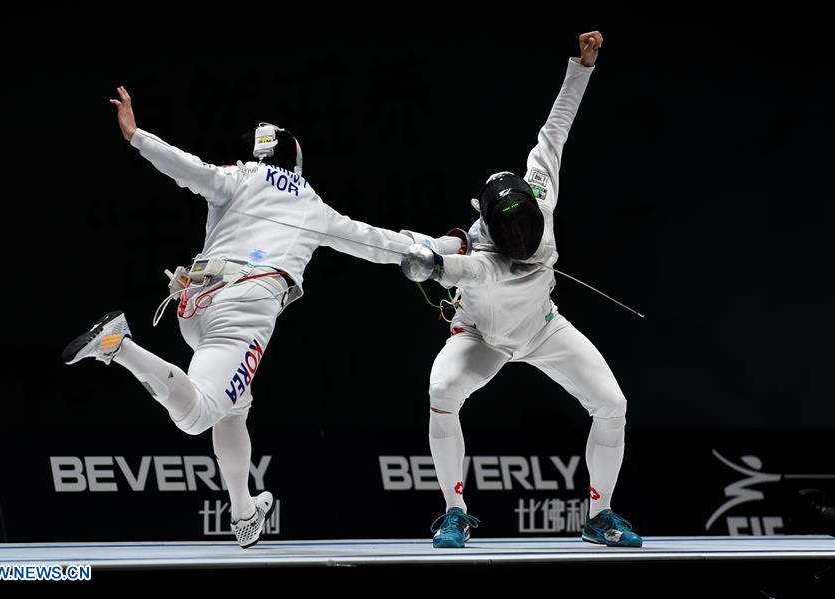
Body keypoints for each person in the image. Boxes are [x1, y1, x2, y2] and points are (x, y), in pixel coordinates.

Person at [63, 86, 463, 548]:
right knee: (198, 415)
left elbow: (186, 167)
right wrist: (445, 247)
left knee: (234, 407)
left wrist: (137, 136)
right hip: (245, 309)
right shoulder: (311, 205)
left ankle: (243, 512)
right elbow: (380, 243)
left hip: (193, 303)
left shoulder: (236, 177)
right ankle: (120, 346)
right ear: (295, 159)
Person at [401, 31, 643, 548]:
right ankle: (454, 512)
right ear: (486, 222)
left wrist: (581, 68)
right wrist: (427, 260)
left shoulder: (540, 190)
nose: (521, 236)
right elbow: (458, 269)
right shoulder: (481, 253)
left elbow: (556, 129)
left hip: (542, 329)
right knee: (442, 392)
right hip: (481, 338)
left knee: (612, 404)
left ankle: (599, 516)